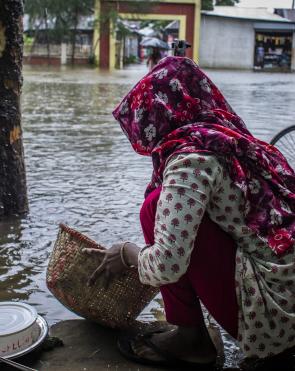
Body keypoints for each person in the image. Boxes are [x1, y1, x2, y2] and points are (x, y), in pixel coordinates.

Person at [83, 56, 295, 368]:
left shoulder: (190, 161)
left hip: (278, 318)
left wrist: (126, 253)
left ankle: (191, 340)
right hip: (287, 293)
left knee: (155, 206)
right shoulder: (223, 136)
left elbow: (168, 265)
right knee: (173, 212)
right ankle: (189, 332)